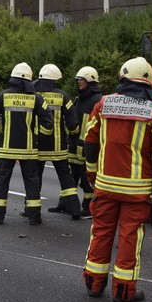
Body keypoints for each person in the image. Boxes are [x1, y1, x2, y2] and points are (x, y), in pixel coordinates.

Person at [82, 57, 152, 302]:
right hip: (137, 192)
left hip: (104, 186)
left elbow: (89, 143)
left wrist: (93, 176)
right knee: (129, 238)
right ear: (149, 82)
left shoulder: (102, 105)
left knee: (100, 233)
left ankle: (93, 284)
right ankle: (123, 291)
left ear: (122, 78)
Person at [0, 62, 53, 225]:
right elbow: (48, 122)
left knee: (2, 181)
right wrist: (38, 138)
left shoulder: (3, 96)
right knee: (32, 183)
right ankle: (34, 218)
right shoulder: (36, 98)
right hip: (28, 150)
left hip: (6, 149)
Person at [35, 64, 81, 216]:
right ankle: (75, 209)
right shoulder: (63, 96)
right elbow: (73, 122)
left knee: (35, 178)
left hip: (37, 145)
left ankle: (31, 210)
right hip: (58, 146)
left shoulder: (33, 94)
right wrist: (73, 136)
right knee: (66, 178)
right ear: (55, 80)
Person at [68, 66, 102, 219]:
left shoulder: (97, 100)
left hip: (88, 145)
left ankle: (87, 207)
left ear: (89, 80)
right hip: (76, 144)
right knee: (71, 175)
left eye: (81, 80)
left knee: (86, 178)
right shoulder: (80, 98)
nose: (79, 83)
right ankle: (67, 204)